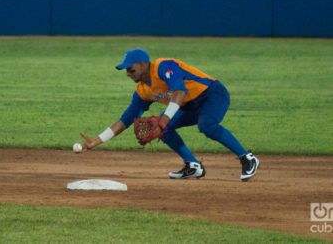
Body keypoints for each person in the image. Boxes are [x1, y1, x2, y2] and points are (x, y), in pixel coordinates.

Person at [80, 48, 260, 181]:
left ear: (143, 65)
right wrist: (98, 140)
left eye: (130, 68)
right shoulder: (143, 90)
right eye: (125, 70)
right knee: (162, 129)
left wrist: (165, 119)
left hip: (212, 94)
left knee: (206, 125)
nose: (128, 73)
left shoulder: (163, 66)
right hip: (188, 105)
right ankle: (193, 165)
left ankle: (247, 158)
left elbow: (179, 91)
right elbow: (126, 119)